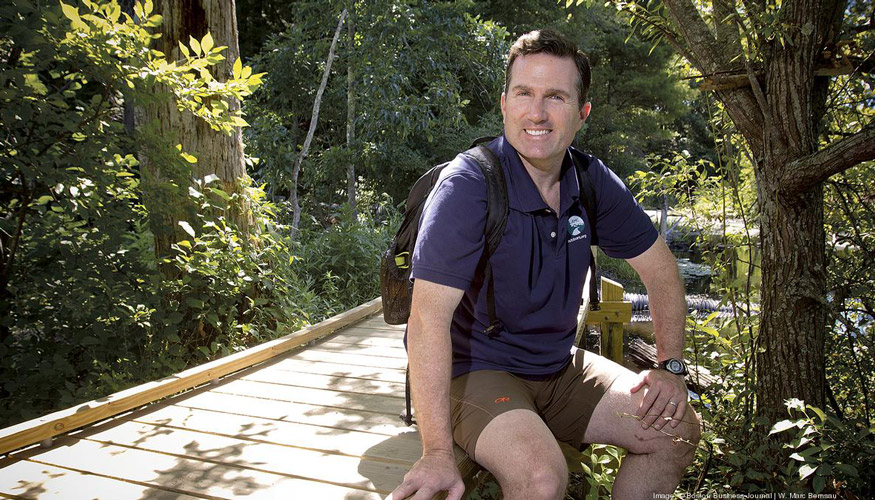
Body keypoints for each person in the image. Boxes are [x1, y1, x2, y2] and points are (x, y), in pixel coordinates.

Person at [388, 29, 701, 500]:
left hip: (556, 367)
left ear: (582, 113)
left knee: (675, 430)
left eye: (555, 96)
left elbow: (660, 271)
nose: (536, 113)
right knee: (541, 477)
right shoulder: (469, 186)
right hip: (475, 370)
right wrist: (436, 454)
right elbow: (427, 320)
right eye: (524, 94)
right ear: (504, 104)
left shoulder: (591, 181)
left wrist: (669, 367)